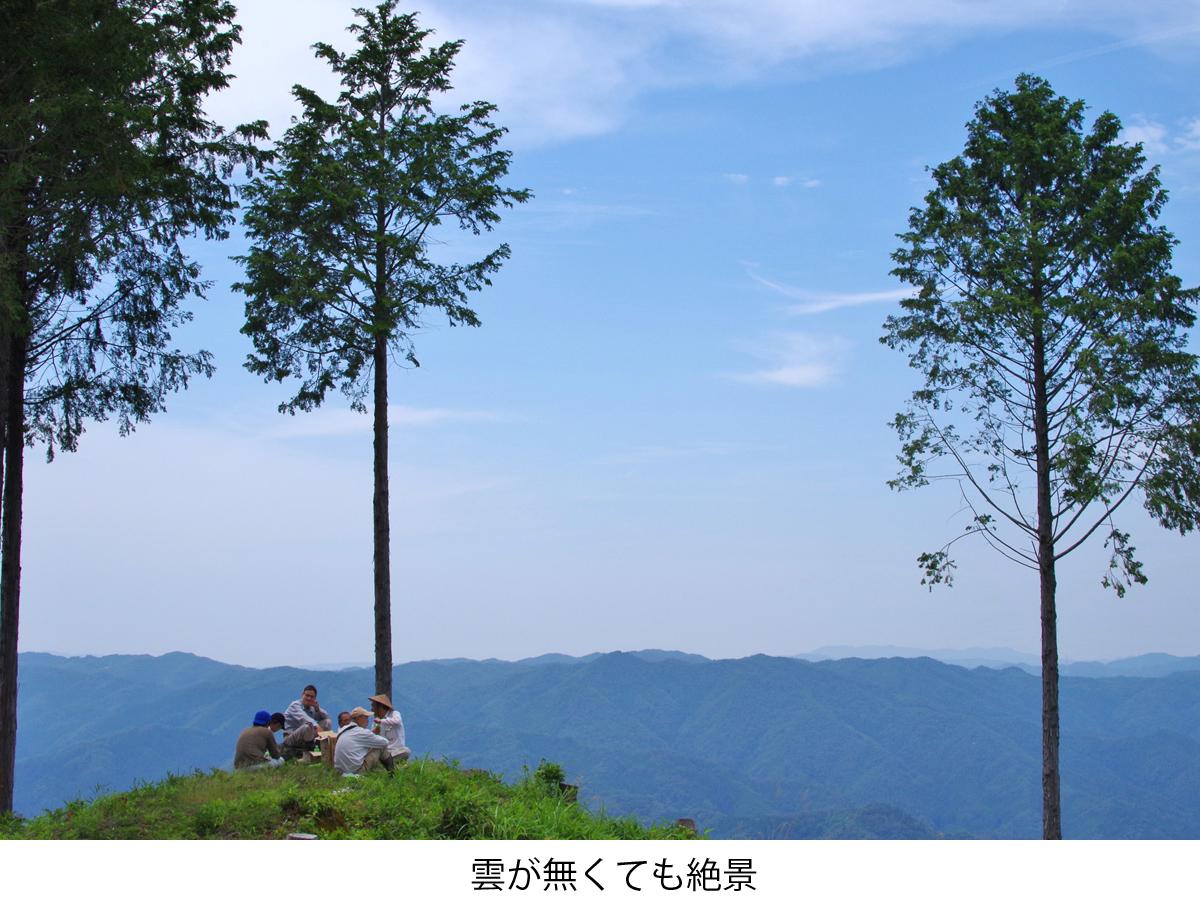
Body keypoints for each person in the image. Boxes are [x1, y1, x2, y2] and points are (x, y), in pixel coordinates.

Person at [333, 706, 393, 775]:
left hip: (341, 772)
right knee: (381, 747)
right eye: (366, 717)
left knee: (370, 748)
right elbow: (385, 742)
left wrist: (371, 736)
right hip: (356, 772)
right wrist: (375, 736)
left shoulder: (344, 731)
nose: (367, 720)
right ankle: (393, 774)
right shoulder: (360, 732)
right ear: (359, 718)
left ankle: (378, 773)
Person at [282, 684, 332, 758]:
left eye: (312, 697)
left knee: (327, 722)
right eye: (307, 695)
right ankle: (308, 749)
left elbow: (326, 717)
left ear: (315, 698)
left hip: (307, 736)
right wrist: (318, 728)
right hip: (291, 738)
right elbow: (304, 718)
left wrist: (317, 709)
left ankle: (320, 745)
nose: (309, 698)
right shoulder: (295, 705)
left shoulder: (311, 707)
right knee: (308, 726)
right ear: (302, 695)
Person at [368, 693, 410, 761]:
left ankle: (387, 762)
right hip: (384, 753)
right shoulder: (376, 722)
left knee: (405, 751)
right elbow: (371, 739)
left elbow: (397, 721)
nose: (372, 709)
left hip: (397, 750)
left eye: (373, 706)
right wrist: (374, 733)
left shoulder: (394, 714)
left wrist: (381, 721)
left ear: (380, 707)